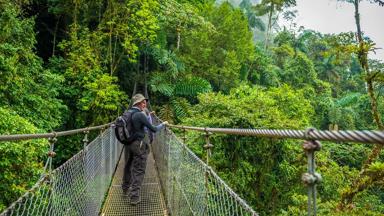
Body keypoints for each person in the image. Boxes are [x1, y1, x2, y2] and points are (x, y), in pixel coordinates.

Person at [122, 93, 167, 205]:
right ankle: (134, 197)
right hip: (139, 145)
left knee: (128, 166)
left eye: (145, 101)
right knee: (139, 170)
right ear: (138, 103)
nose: (145, 103)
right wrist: (163, 124)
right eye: (143, 102)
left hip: (128, 145)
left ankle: (125, 189)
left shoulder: (126, 113)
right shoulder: (140, 115)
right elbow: (154, 129)